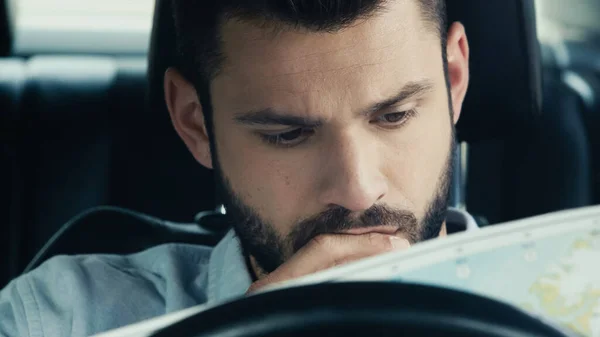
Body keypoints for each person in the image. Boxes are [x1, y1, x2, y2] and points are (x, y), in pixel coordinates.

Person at [0, 0, 472, 336]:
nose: (358, 189)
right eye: (287, 135)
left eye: (394, 116)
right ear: (195, 123)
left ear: (453, 80)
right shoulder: (57, 319)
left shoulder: (546, 304)